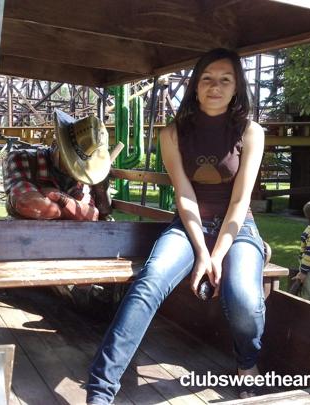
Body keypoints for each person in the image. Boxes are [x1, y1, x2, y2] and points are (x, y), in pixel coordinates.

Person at [86, 48, 266, 404]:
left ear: (237, 88)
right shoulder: (172, 134)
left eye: (225, 80)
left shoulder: (250, 132)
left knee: (243, 298)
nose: (215, 87)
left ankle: (248, 361)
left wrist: (217, 256)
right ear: (195, 86)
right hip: (188, 226)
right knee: (149, 282)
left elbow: (239, 201)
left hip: (238, 228)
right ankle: (100, 390)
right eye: (207, 79)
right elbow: (184, 195)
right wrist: (201, 252)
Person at [4, 109, 112, 221]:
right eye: (68, 158)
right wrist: (72, 211)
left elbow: (92, 215)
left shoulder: (83, 174)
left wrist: (59, 197)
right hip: (23, 232)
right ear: (55, 145)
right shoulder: (21, 159)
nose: (73, 168)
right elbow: (27, 204)